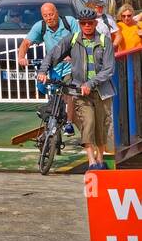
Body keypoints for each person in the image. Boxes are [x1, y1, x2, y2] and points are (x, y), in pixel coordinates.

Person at [39, 10, 114, 171]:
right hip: (80, 91)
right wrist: (42, 71)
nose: (87, 26)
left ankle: (100, 159)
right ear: (79, 24)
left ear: (95, 23)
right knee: (88, 123)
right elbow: (53, 55)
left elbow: (108, 69)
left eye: (90, 23)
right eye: (83, 23)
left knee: (102, 126)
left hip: (102, 91)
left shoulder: (104, 41)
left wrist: (91, 83)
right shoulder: (72, 39)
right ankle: (92, 161)